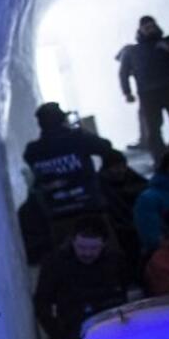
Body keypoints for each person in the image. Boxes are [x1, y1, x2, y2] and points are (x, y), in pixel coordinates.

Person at [22, 102, 115, 248]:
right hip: (90, 209)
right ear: (62, 120)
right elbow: (105, 147)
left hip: (58, 215)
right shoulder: (78, 138)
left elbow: (31, 161)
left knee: (68, 260)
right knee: (105, 258)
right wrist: (80, 131)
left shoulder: (33, 150)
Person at [32, 217, 129, 339]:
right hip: (72, 331)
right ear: (72, 241)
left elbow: (124, 293)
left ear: (104, 244)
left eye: (94, 248)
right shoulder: (55, 263)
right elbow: (42, 303)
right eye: (82, 247)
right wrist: (58, 333)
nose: (87, 253)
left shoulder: (115, 261)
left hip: (111, 328)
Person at [118, 16, 169, 161]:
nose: (150, 30)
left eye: (152, 26)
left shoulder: (168, 42)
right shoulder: (132, 51)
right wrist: (127, 92)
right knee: (153, 130)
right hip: (148, 94)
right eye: (147, 27)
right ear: (140, 30)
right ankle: (160, 160)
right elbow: (123, 73)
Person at [98, 149, 148, 271]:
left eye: (122, 166)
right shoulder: (101, 185)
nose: (120, 170)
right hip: (120, 230)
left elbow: (146, 187)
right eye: (116, 167)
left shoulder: (131, 177)